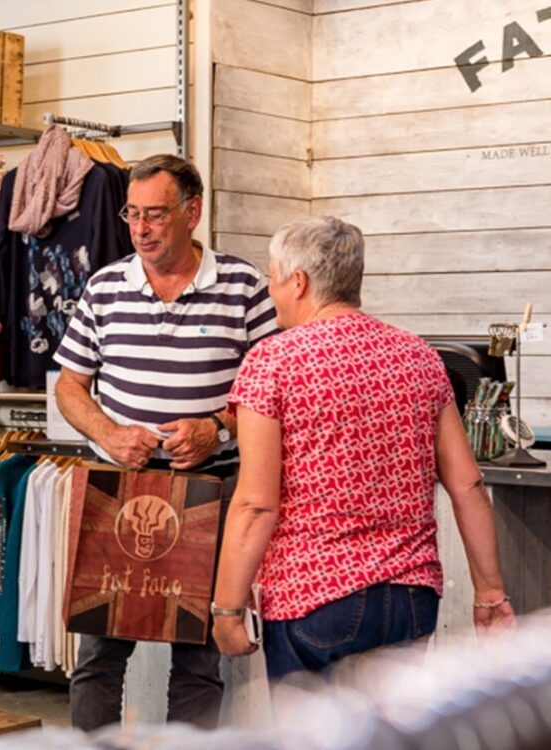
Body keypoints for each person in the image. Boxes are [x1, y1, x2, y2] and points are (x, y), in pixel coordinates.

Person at [211, 216, 516, 679]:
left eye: (272, 278)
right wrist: (491, 593)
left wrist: (227, 609)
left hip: (312, 598)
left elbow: (255, 504)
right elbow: (469, 485)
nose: (270, 294)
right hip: (411, 600)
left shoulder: (272, 362)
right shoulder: (420, 356)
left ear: (299, 282)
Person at [53, 154, 278, 730]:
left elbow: (272, 391)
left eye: (156, 214)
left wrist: (219, 427)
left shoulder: (245, 287)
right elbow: (71, 388)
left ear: (193, 212)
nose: (142, 229)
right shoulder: (104, 287)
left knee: (198, 656)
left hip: (213, 489)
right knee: (99, 657)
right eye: (133, 215)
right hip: (120, 489)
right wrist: (107, 431)